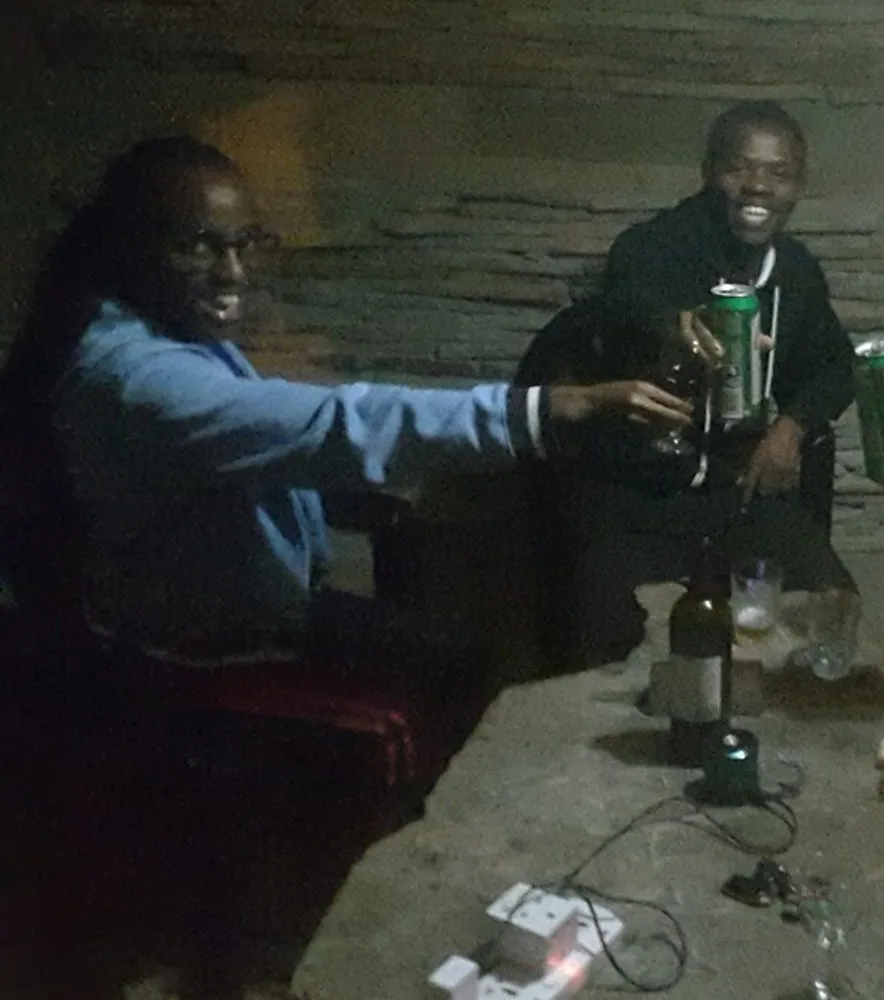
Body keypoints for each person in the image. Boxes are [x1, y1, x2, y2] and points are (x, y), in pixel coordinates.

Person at [0, 135, 692, 664]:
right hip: (203, 651)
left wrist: (350, 502)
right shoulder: (140, 380)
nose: (233, 273)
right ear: (126, 247)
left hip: (249, 613)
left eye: (244, 244)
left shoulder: (154, 334)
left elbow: (257, 455)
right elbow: (333, 424)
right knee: (470, 664)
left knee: (457, 635)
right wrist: (549, 409)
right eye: (197, 247)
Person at [515, 101, 856, 663]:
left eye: (779, 173)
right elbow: (629, 307)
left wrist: (790, 429)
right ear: (708, 172)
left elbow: (835, 366)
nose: (758, 186)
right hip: (635, 498)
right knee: (613, 652)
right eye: (739, 167)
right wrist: (678, 325)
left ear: (798, 187)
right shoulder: (650, 248)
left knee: (831, 614)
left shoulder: (795, 271)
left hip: (737, 497)